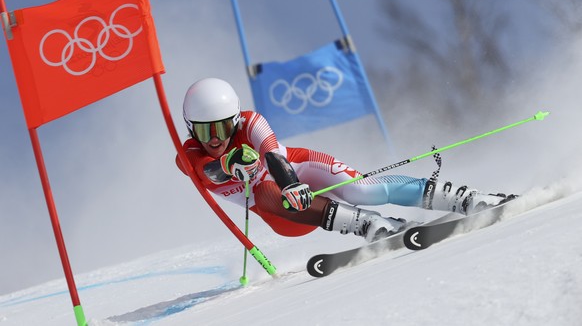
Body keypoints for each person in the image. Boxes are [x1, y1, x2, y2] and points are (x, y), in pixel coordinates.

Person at [176, 78, 514, 243]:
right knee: (263, 194)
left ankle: (465, 199)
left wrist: (292, 184)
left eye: (222, 127)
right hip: (282, 216)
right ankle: (370, 224)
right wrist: (228, 164)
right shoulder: (189, 153)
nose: (216, 138)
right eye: (206, 131)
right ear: (193, 130)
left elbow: (274, 156)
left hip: (297, 171)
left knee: (361, 191)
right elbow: (207, 172)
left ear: (234, 120)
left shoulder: (251, 122)